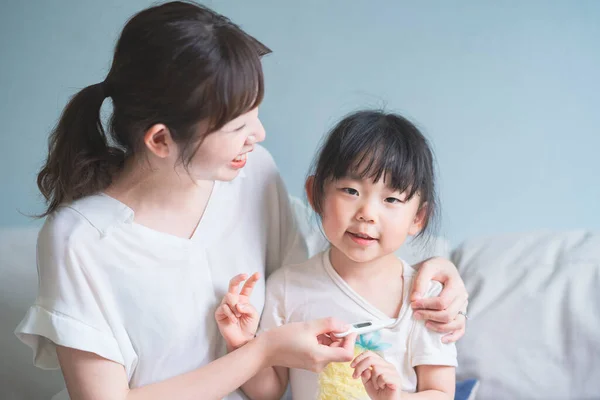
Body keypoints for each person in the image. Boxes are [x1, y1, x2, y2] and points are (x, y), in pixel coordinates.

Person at [14, 2, 468, 400]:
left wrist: (439, 272)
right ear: (161, 140)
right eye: (237, 127)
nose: (259, 135)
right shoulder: (80, 240)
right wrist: (261, 352)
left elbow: (338, 257)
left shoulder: (253, 174)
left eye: (256, 113)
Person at [216, 110, 458, 400]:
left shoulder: (427, 298)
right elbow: (269, 391)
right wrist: (242, 345)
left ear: (418, 218)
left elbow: (441, 392)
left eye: (391, 199)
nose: (367, 214)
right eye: (350, 190)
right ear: (316, 194)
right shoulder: (286, 287)